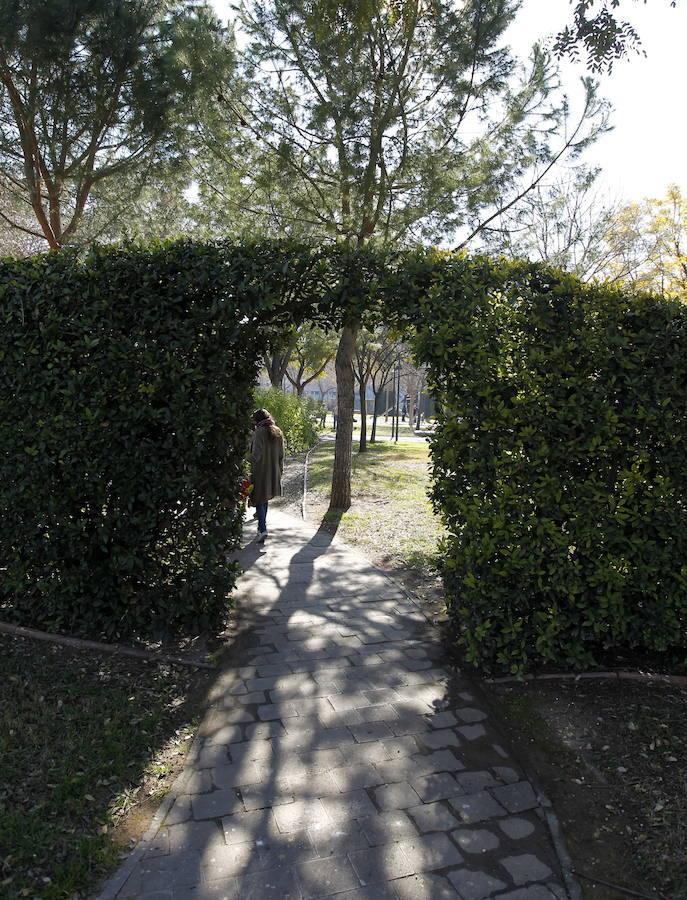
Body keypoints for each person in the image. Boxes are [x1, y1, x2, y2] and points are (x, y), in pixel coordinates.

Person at [250, 408, 284, 542]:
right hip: (274, 471)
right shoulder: (277, 431)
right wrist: (280, 471)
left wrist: (244, 456)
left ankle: (263, 529)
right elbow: (282, 455)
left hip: (260, 471)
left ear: (257, 420)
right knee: (264, 499)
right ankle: (260, 529)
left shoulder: (259, 432)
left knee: (259, 498)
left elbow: (255, 456)